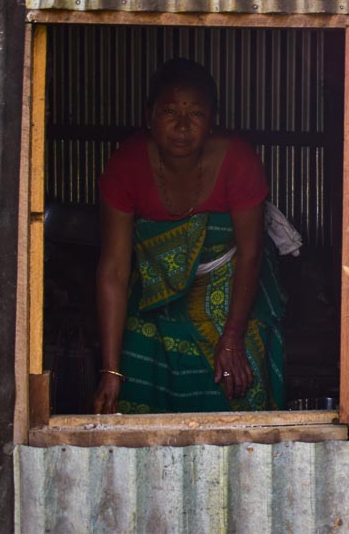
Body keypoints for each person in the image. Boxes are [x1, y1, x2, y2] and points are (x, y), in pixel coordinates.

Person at [92, 58, 285, 414]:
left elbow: (251, 252)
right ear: (149, 115)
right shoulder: (126, 165)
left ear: (213, 119)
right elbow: (115, 269)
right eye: (169, 112)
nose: (182, 126)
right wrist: (110, 369)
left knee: (240, 381)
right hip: (155, 293)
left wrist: (232, 337)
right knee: (136, 374)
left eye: (195, 114)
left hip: (232, 287)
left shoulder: (238, 161)